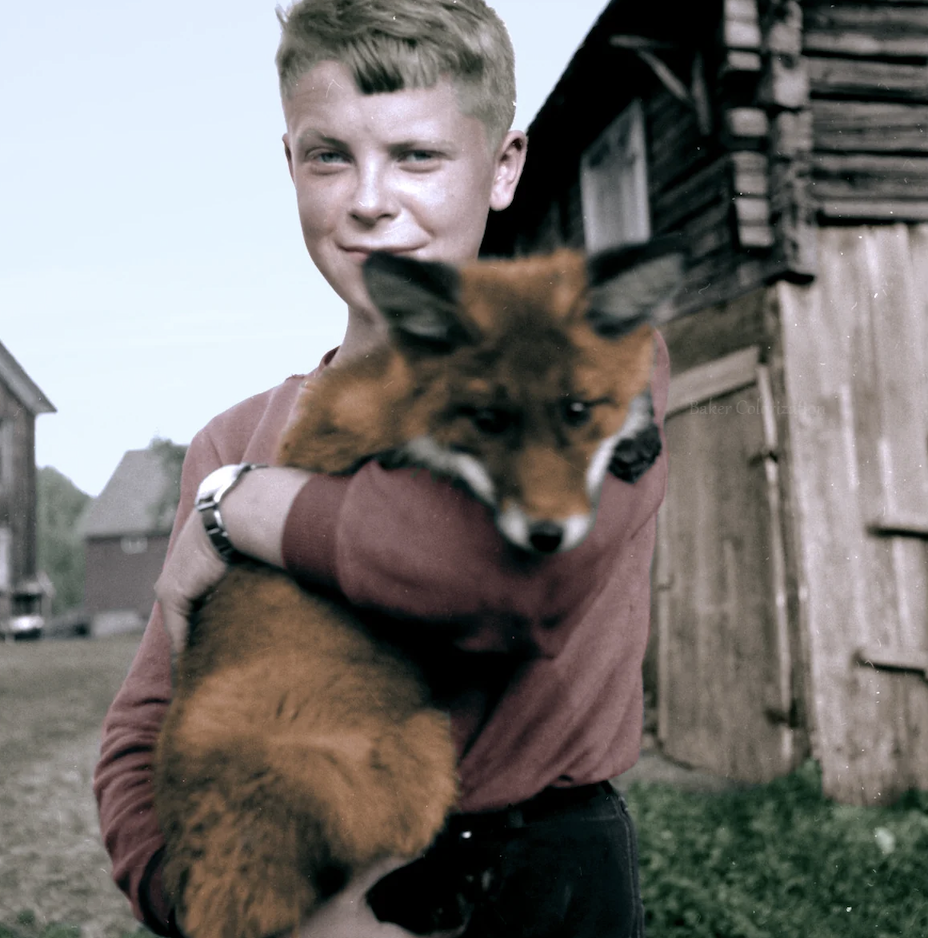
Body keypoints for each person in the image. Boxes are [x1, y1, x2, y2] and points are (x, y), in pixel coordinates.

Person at [93, 1, 670, 935]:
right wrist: (218, 911)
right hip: (300, 877)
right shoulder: (233, 436)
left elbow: (498, 584)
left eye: (417, 156)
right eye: (331, 156)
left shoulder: (594, 351)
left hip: (546, 876)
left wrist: (245, 510)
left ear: (505, 167)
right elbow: (144, 726)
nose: (370, 199)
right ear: (290, 165)